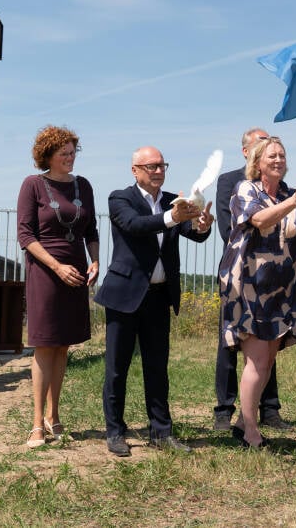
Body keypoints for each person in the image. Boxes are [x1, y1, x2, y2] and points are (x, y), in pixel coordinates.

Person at [94, 146, 213, 456]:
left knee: (157, 368)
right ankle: (115, 431)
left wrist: (203, 225)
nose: (158, 171)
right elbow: (136, 226)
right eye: (151, 166)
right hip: (124, 296)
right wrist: (173, 217)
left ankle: (161, 432)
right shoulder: (120, 198)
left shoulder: (173, 200)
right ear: (135, 170)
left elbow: (191, 231)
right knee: (117, 368)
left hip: (159, 297)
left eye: (162, 165)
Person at [220, 137, 296, 447]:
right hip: (251, 288)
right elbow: (259, 220)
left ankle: (246, 423)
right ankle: (249, 430)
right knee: (257, 360)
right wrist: (295, 201)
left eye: (282, 155)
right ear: (258, 163)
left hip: (284, 288)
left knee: (268, 360)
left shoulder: (290, 193)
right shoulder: (247, 190)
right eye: (272, 156)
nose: (278, 160)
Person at [17, 125, 100, 448]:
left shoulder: (84, 186)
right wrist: (56, 266)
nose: (69, 157)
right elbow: (26, 235)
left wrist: (94, 261)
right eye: (63, 152)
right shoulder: (33, 185)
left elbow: (90, 229)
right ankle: (36, 423)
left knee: (63, 345)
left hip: (76, 270)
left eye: (72, 152)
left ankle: (54, 414)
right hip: (45, 272)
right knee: (45, 344)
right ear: (47, 155)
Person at [212, 128, 289, 432]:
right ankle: (224, 409)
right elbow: (227, 227)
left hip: (271, 278)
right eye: (262, 145)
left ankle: (268, 409)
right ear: (248, 152)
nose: (272, 152)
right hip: (241, 275)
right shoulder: (232, 182)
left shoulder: (282, 187)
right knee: (231, 344)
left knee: (266, 348)